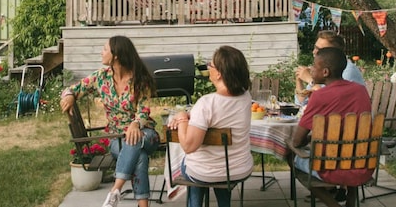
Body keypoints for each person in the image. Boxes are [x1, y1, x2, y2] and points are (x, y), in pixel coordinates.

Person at [60, 36, 159, 207]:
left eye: (105, 49)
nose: (101, 52)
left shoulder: (139, 79)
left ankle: (115, 189)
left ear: (116, 56)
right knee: (139, 156)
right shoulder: (101, 77)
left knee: (134, 139)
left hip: (146, 134)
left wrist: (135, 124)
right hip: (117, 139)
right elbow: (72, 88)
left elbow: (143, 111)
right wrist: (69, 95)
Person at [168, 46, 253, 207]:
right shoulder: (245, 96)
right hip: (239, 169)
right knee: (219, 168)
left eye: (211, 65)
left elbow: (188, 146)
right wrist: (189, 115)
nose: (208, 68)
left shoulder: (207, 103)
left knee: (191, 164)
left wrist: (181, 118)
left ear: (219, 73)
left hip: (206, 173)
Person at [292, 47, 374, 204]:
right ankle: (350, 203)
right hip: (363, 166)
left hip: (329, 169)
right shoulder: (360, 91)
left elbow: (296, 141)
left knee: (292, 156)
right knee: (350, 155)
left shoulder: (320, 96)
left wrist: (305, 141)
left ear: (325, 72)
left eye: (314, 66)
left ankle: (332, 204)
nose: (310, 69)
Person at [294, 30, 365, 105]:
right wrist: (299, 80)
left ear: (333, 52)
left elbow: (332, 100)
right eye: (315, 47)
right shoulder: (323, 68)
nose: (314, 52)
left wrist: (310, 80)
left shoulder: (347, 70)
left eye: (319, 49)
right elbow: (301, 103)